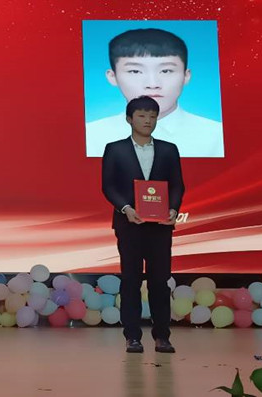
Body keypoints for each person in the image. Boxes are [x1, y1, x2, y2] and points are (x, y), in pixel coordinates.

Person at [102, 95, 185, 354]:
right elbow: (108, 186)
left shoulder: (169, 149)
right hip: (129, 224)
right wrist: (125, 208)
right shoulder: (115, 149)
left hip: (160, 226)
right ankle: (132, 336)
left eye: (152, 116)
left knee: (160, 281)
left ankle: (162, 336)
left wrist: (173, 209)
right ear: (129, 119)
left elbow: (177, 185)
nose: (147, 120)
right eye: (141, 115)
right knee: (131, 280)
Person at [86, 28, 223, 157]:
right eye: (135, 71)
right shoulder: (91, 136)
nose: (152, 84)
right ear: (112, 77)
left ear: (186, 76)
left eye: (166, 71)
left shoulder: (216, 135)